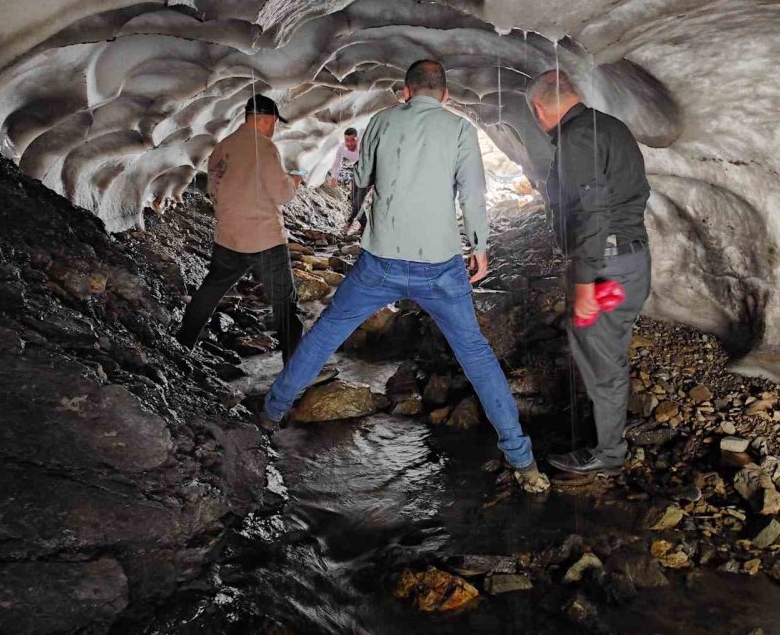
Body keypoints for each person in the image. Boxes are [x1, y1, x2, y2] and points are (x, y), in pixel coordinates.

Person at [260, 60, 549, 493]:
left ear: (406, 91)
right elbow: (472, 193)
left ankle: (270, 413)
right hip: (440, 265)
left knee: (326, 334)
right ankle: (522, 460)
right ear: (446, 95)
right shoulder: (459, 129)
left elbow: (362, 178)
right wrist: (480, 248)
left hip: (381, 262)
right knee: (477, 356)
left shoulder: (381, 121)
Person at [525, 70, 651, 476]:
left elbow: (591, 212)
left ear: (538, 108)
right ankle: (610, 427)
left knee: (601, 359)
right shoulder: (612, 127)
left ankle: (608, 454)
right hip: (631, 258)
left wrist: (584, 284)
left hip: (605, 267)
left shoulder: (577, 138)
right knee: (609, 350)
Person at [176, 95, 310, 366]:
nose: (274, 129)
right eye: (274, 123)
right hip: (265, 240)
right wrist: (294, 180)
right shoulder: (265, 147)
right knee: (285, 304)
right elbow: (282, 194)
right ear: (268, 118)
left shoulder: (221, 148)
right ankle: (295, 370)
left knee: (209, 293)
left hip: (228, 237)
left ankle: (180, 346)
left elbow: (213, 191)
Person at [328, 127, 369, 234]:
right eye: (347, 140)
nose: (350, 143)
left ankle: (353, 222)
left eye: (353, 140)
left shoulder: (364, 145)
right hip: (356, 168)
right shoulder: (341, 148)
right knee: (353, 196)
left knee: (359, 198)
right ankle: (363, 222)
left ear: (357, 139)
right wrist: (334, 177)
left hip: (367, 168)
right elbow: (337, 163)